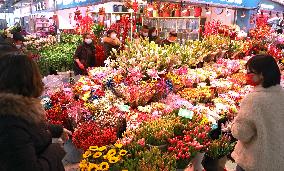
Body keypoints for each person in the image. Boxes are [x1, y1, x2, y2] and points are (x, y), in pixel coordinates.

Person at [0, 53, 70, 170]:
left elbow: (30, 130)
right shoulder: (9, 125)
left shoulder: (17, 110)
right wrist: (56, 148)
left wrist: (57, 130)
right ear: (29, 80)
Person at [231, 55, 284, 171]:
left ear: (262, 75)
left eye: (250, 72)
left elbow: (242, 133)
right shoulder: (281, 95)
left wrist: (233, 124)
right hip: (278, 160)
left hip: (254, 162)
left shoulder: (254, 100)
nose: (247, 75)